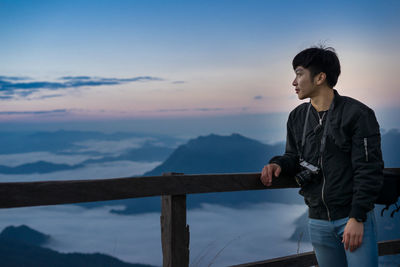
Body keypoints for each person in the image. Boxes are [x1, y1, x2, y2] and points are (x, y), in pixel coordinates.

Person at [260, 46, 384, 267]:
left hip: (352, 218)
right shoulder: (297, 116)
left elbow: (368, 169)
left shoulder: (358, 114)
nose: (294, 82)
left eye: (299, 73)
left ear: (320, 78)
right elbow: (293, 156)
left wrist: (357, 217)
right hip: (317, 220)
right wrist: (277, 164)